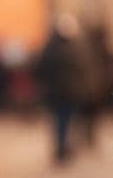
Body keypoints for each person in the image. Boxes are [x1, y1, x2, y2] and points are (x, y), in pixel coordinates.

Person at [34, 16, 93, 166]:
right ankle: (62, 147)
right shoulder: (72, 48)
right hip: (64, 92)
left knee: (62, 122)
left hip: (63, 92)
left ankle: (63, 147)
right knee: (63, 121)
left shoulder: (52, 48)